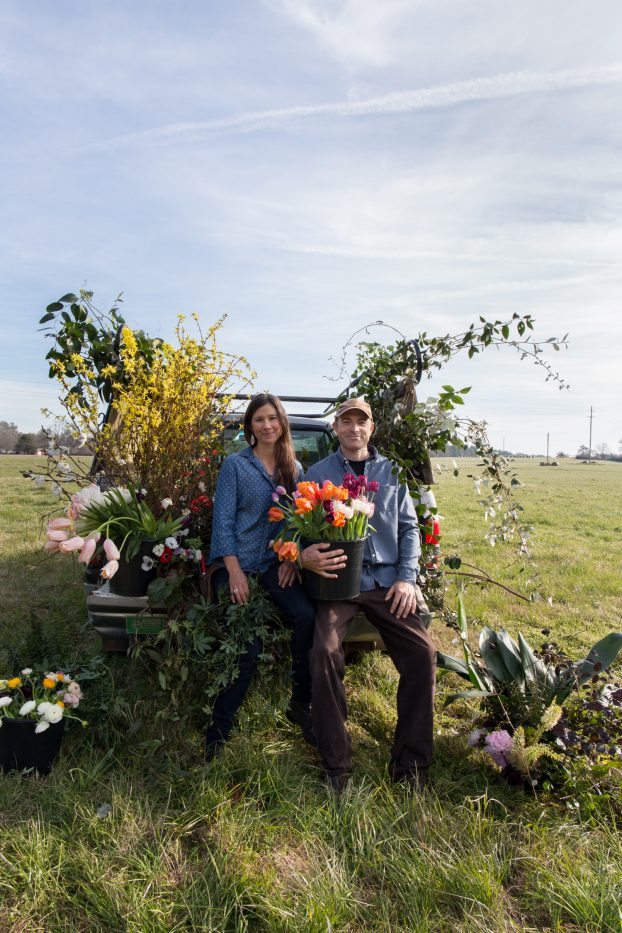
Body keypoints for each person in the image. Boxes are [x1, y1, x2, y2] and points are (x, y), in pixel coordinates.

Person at [302, 397, 436, 792]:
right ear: (336, 427)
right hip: (338, 582)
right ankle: (336, 765)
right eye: (346, 422)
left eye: (361, 422)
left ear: (371, 429)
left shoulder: (390, 472)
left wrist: (407, 578)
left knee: (422, 654)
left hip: (386, 584)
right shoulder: (317, 473)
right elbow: (299, 527)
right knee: (323, 652)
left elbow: (410, 529)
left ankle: (411, 766)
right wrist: (305, 555)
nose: (354, 429)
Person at [205, 393, 316, 758]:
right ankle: (217, 734)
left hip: (272, 564)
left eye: (272, 418)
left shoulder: (293, 469)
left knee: (305, 616)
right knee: (247, 649)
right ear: (250, 426)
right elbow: (222, 522)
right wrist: (234, 572)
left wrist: (290, 559)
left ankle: (301, 703)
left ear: (281, 422)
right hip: (236, 563)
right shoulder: (236, 466)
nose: (267, 425)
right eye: (259, 420)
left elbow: (296, 521)